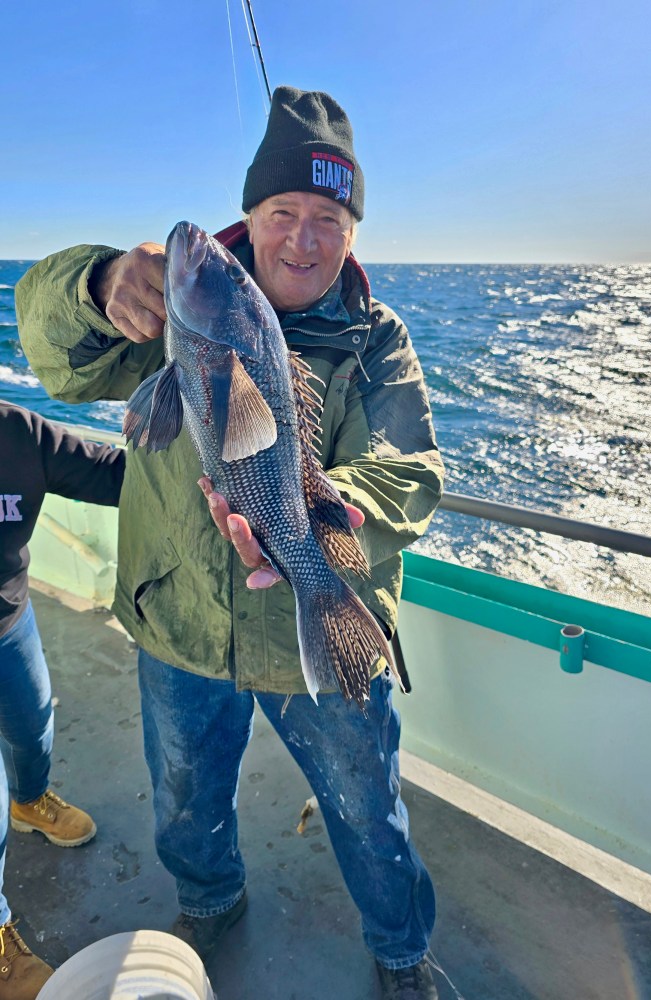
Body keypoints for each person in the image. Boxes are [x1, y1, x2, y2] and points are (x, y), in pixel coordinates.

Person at [16, 87, 445, 999]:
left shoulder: (377, 339)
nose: (302, 238)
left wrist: (334, 514)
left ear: (353, 233)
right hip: (179, 623)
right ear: (249, 218)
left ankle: (402, 953)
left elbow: (409, 467)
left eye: (327, 218)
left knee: (370, 811)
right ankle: (208, 901)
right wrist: (92, 286)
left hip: (318, 617)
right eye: (283, 212)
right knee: (183, 794)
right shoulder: (178, 314)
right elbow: (56, 356)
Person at [0, 401, 125, 1000]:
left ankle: (31, 801)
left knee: (34, 730)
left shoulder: (20, 433)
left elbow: (113, 472)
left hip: (8, 622)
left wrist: (207, 472)